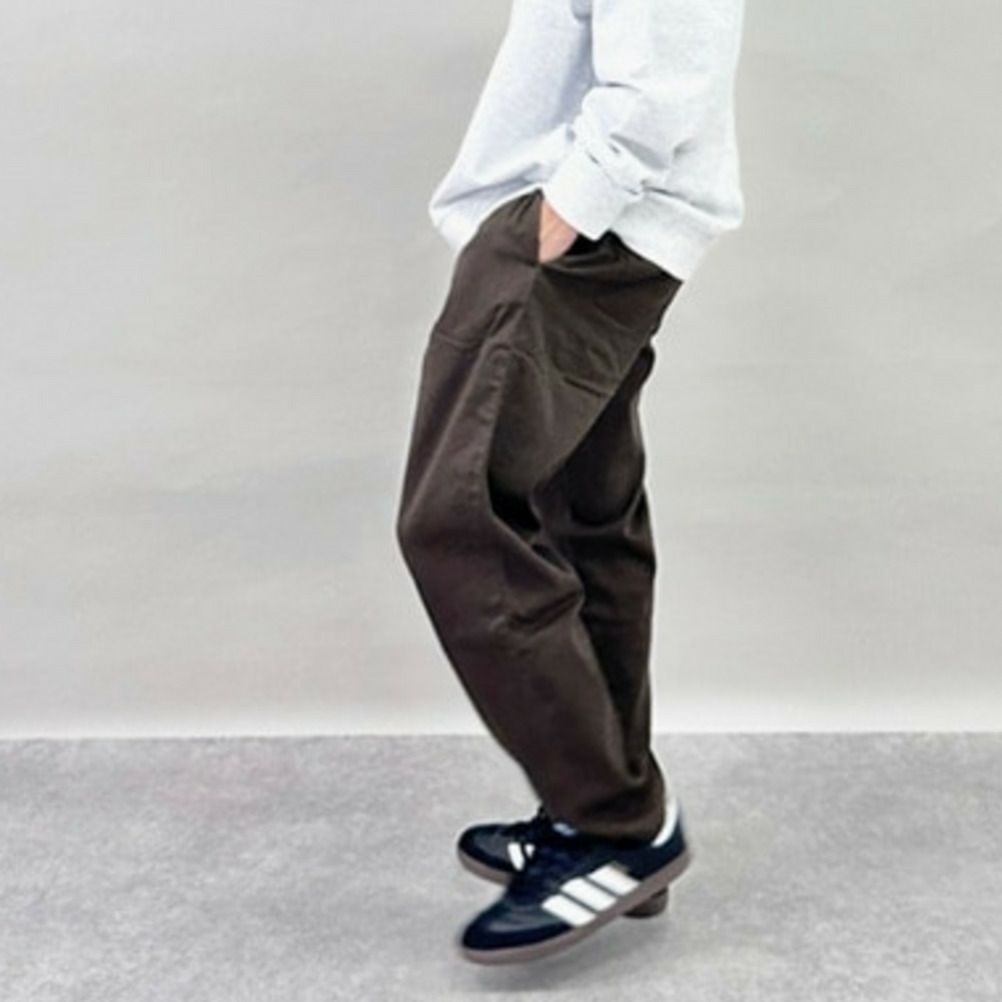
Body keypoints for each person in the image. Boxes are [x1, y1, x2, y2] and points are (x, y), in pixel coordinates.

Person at [395, 0, 746, 965]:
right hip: (597, 228)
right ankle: (602, 812)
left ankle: (614, 824)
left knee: (456, 520)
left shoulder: (574, 223)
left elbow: (659, 80)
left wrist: (552, 220)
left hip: (583, 234)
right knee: (585, 521)